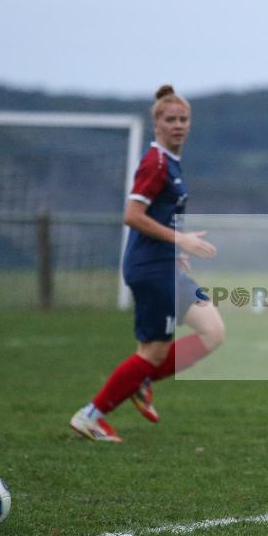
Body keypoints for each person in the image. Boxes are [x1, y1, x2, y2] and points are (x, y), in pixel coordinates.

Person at [70, 85, 225, 442]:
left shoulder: (170, 162)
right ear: (156, 124)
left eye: (183, 119)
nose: (178, 125)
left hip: (165, 264)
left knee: (213, 331)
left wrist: (176, 249)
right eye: (170, 119)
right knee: (152, 353)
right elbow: (132, 215)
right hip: (151, 270)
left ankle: (137, 381)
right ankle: (91, 415)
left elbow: (159, 216)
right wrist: (178, 240)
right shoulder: (155, 163)